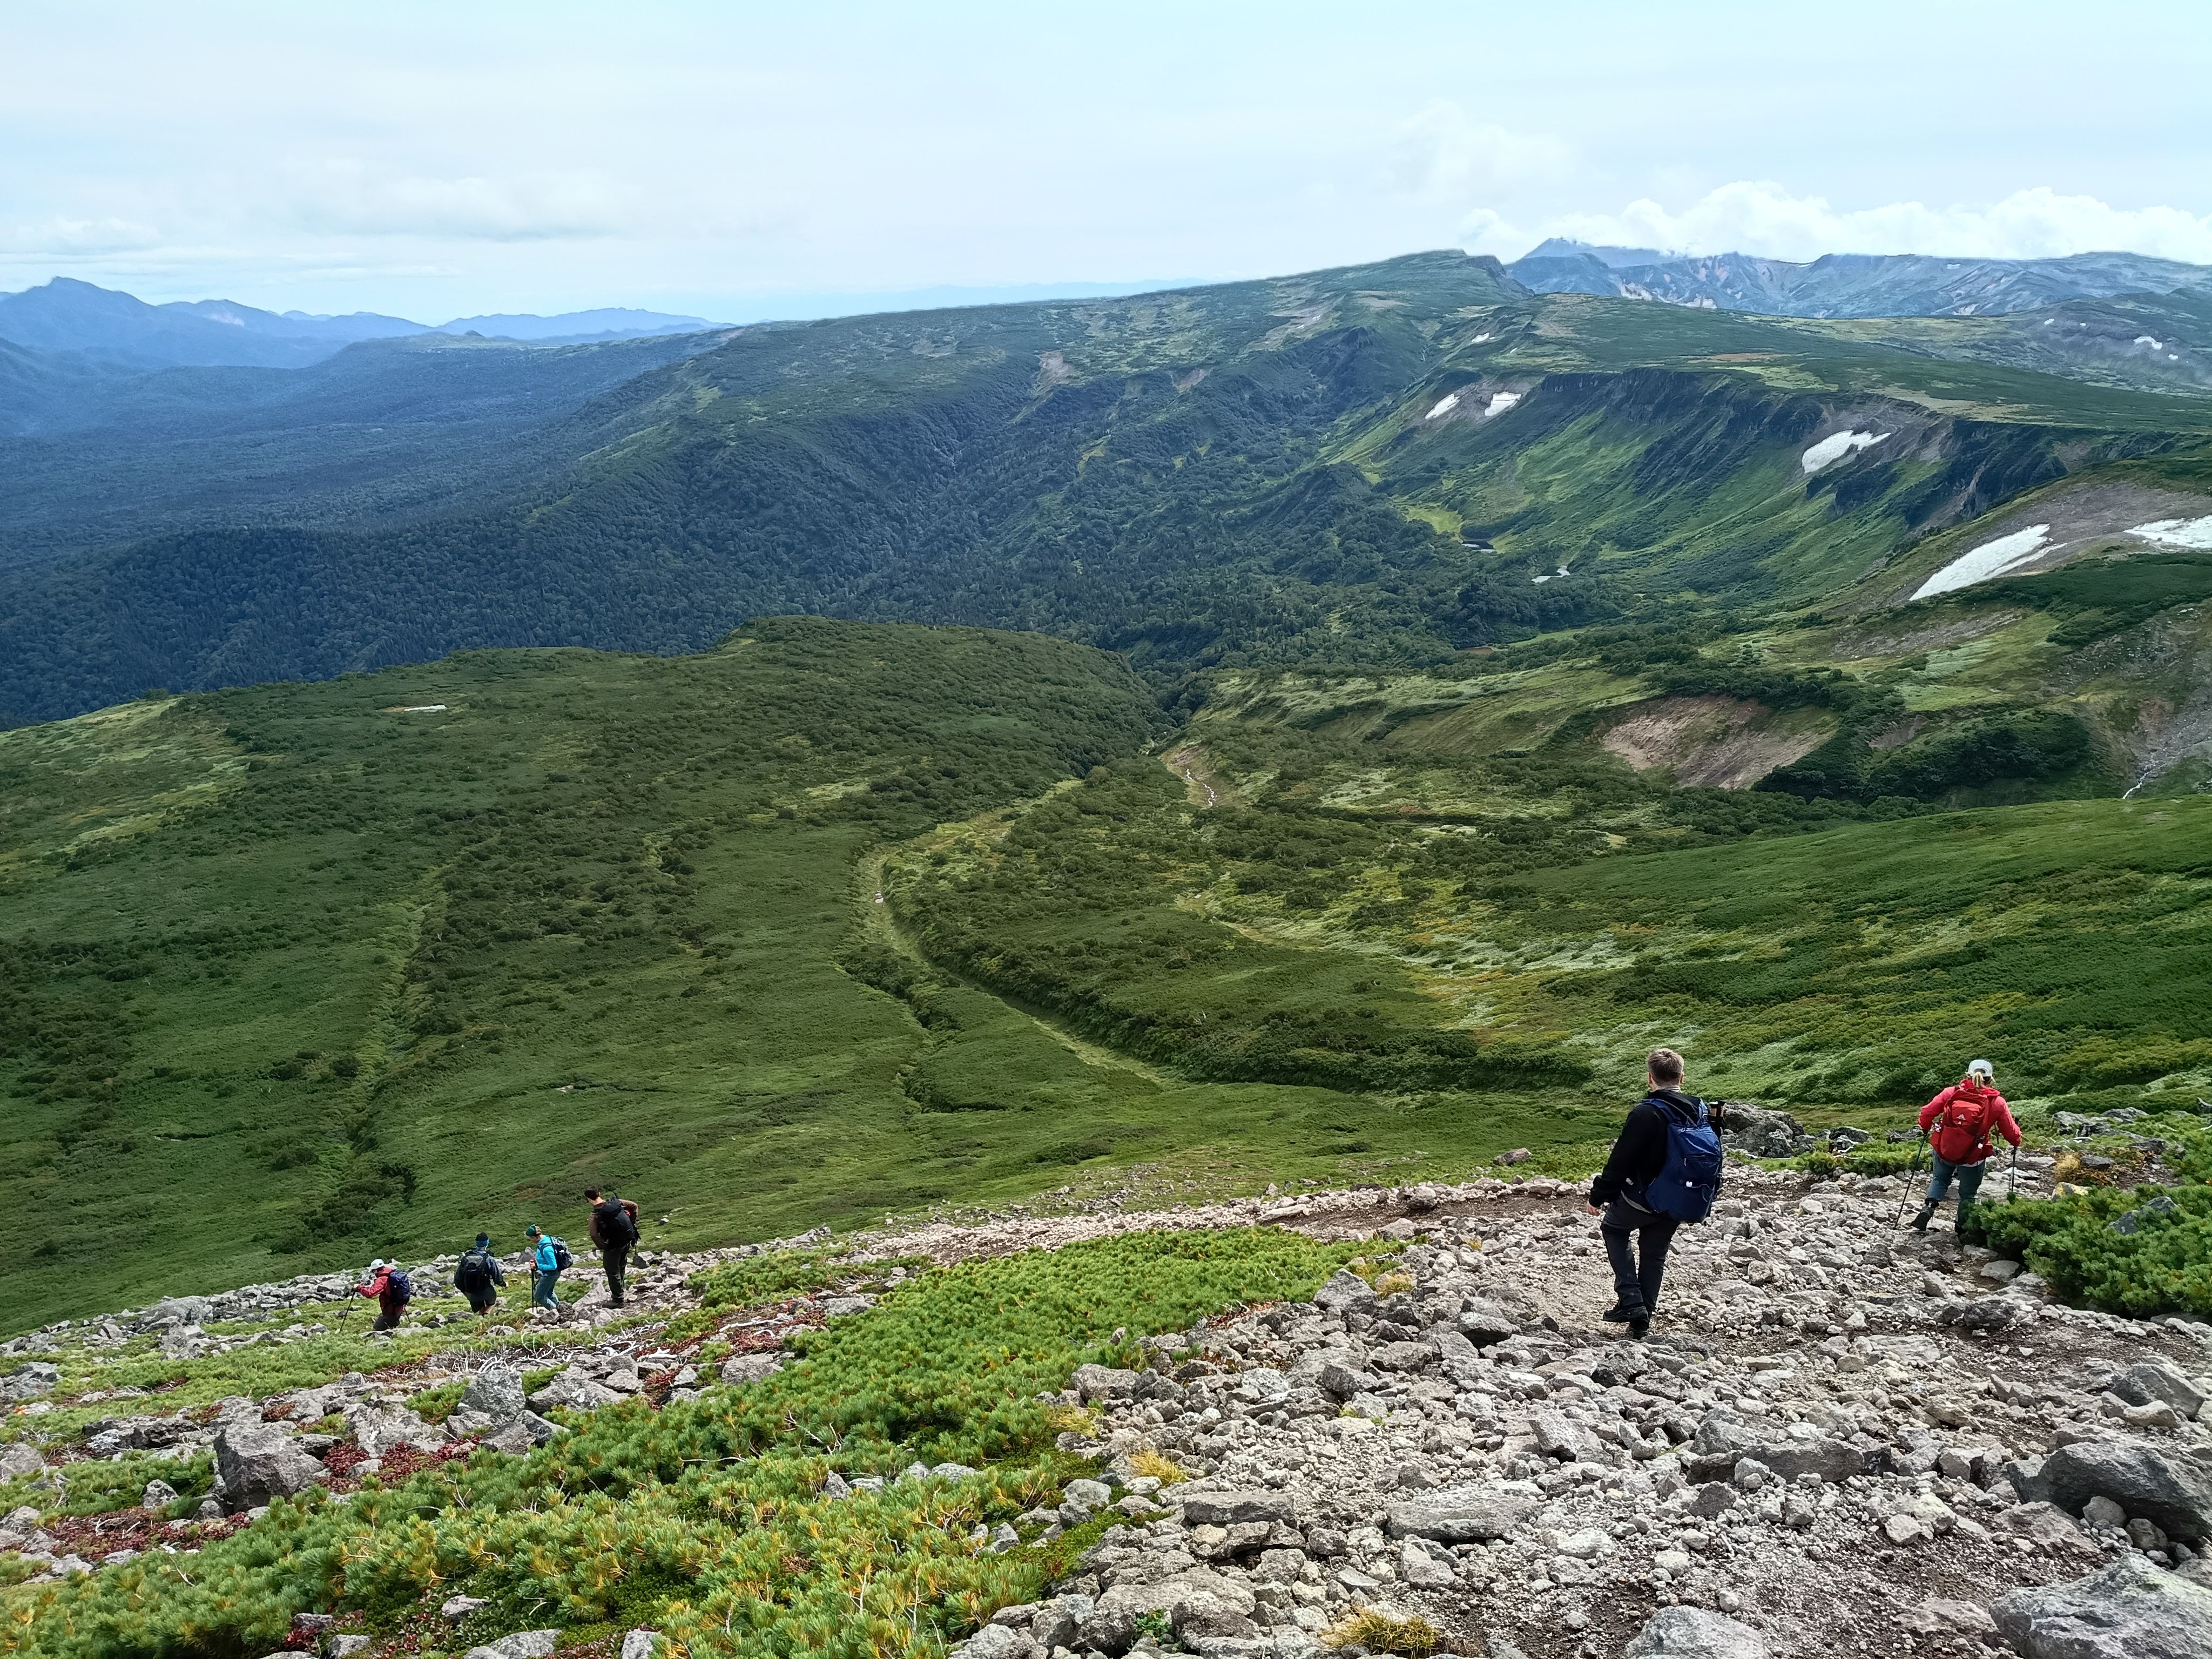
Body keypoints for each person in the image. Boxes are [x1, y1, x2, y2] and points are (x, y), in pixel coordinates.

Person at [1584, 1047, 1716, 1339]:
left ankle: (1631, 1301)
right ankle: (1641, 1322)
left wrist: (1598, 1196)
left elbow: (1621, 1160)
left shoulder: (1646, 1113)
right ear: (1682, 1077)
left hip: (1643, 1197)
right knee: (1654, 1255)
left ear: (1650, 1079)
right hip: (1681, 1198)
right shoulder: (1700, 1110)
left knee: (1614, 1229)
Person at [1911, 1059, 2021, 1232]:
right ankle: (1961, 1228)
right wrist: (2017, 1141)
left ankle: (1929, 1207)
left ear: (1968, 1075)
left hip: (1945, 1150)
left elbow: (1927, 1112)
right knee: (1968, 1194)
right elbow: (2011, 1133)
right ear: (1990, 1080)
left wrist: (1925, 1127)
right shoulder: (1997, 1102)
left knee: (1940, 1179)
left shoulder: (1951, 1093)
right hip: (1973, 1156)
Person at [586, 1187, 640, 1309]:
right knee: (621, 1265)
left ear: (589, 1199)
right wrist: (631, 1223)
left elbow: (594, 1235)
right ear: (599, 1194)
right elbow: (634, 1206)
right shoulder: (617, 1203)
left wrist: (605, 1246)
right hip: (627, 1240)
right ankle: (621, 1290)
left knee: (612, 1270)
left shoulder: (595, 1215)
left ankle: (618, 1299)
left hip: (613, 1245)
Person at [454, 1233, 508, 1314]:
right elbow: (497, 1277)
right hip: (485, 1290)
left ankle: (481, 1319)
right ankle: (486, 1314)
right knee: (492, 1302)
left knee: (480, 1307)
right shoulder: (489, 1258)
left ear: (476, 1243)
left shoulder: (466, 1258)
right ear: (487, 1243)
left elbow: (458, 1277)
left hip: (470, 1292)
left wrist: (463, 1291)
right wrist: (504, 1284)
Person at [360, 1258, 412, 1331]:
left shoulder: (382, 1279)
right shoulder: (390, 1273)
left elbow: (370, 1294)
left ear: (376, 1270)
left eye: (373, 1271)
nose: (374, 1274)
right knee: (390, 1326)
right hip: (399, 1308)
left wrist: (359, 1287)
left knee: (376, 1329)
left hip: (391, 1312)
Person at [527, 1224, 562, 1311]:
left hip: (550, 1274)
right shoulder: (546, 1239)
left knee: (539, 1297)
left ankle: (555, 1312)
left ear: (537, 1237)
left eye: (531, 1238)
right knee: (549, 1293)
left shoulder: (547, 1249)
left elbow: (553, 1266)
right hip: (554, 1273)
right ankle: (561, 1309)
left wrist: (538, 1266)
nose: (530, 1240)